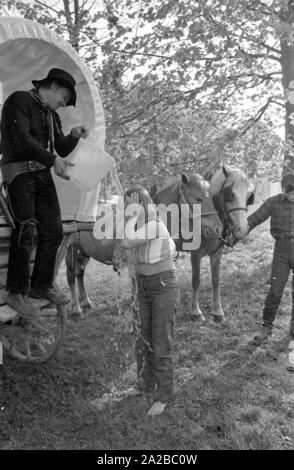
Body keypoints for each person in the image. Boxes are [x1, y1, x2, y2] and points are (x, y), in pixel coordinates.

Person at [0, 68, 88, 318]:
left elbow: (58, 146)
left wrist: (72, 137)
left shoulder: (51, 115)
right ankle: (16, 292)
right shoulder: (19, 100)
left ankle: (40, 286)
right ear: (50, 85)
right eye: (64, 95)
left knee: (53, 230)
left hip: (41, 174)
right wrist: (52, 160)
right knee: (26, 226)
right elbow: (21, 140)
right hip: (18, 173)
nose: (64, 102)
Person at [117, 188, 178, 416]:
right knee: (142, 337)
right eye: (126, 205)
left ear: (143, 204)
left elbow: (125, 242)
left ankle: (164, 395)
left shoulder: (154, 224)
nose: (128, 210)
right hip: (142, 284)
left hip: (162, 286)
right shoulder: (139, 225)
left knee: (161, 341)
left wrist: (131, 215)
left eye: (132, 205)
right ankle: (144, 385)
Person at [247, 173, 294, 344]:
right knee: (275, 290)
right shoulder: (273, 202)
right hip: (281, 250)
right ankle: (266, 326)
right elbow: (255, 218)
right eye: (288, 193)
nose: (291, 196)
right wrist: (239, 231)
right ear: (283, 189)